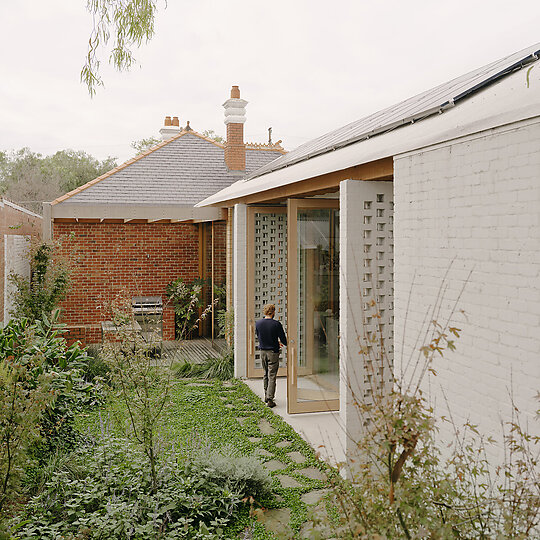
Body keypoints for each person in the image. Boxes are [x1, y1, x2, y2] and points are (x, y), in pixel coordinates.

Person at [255, 303, 287, 408]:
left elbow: (260, 337)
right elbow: (283, 339)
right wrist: (284, 343)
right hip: (273, 352)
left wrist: (274, 341)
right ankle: (270, 399)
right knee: (272, 375)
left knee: (265, 373)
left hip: (263, 351)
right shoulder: (276, 324)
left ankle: (266, 395)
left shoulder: (258, 323)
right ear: (273, 312)